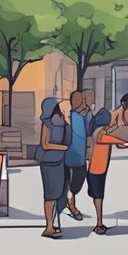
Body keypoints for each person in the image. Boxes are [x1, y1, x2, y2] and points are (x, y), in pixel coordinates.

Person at [85, 97, 128, 235]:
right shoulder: (100, 132)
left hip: (98, 168)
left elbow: (112, 137)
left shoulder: (102, 130)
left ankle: (99, 222)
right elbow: (105, 139)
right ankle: (99, 223)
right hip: (96, 169)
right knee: (98, 196)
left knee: (98, 196)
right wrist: (123, 141)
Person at [37, 98, 71, 239]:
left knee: (58, 193)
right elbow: (45, 144)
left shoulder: (62, 122)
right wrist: (63, 148)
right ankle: (49, 227)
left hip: (59, 161)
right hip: (49, 162)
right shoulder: (47, 124)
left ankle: (53, 224)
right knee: (50, 195)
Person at [60, 90, 90, 222]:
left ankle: (70, 202)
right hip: (72, 155)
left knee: (76, 182)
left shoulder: (81, 116)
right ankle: (71, 205)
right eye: (81, 99)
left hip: (79, 155)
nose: (83, 102)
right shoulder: (71, 117)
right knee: (74, 183)